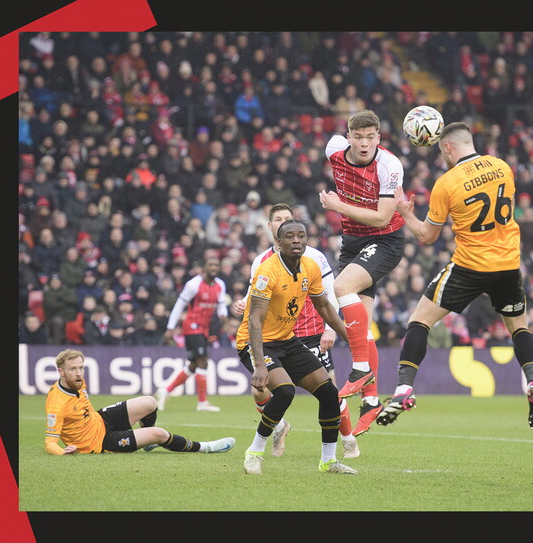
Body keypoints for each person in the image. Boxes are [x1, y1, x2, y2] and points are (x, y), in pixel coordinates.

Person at [377, 121, 533, 432]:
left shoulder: (446, 182)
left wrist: (404, 212)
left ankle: (403, 388)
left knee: (420, 320)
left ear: (446, 147)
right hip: (508, 264)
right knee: (518, 327)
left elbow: (427, 236)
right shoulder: (503, 167)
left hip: (470, 265)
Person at [231, 203, 360, 459]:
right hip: (258, 340)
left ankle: (333, 455)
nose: (295, 239)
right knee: (283, 390)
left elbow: (324, 303)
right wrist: (259, 364)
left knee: (328, 391)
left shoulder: (313, 263)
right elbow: (254, 319)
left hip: (295, 336)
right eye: (288, 234)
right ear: (276, 236)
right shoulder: (265, 267)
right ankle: (256, 451)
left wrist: (346, 335)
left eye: (299, 234)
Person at [318, 109, 405, 432]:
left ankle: (359, 368)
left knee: (340, 288)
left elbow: (383, 217)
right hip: (353, 242)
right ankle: (371, 401)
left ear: (379, 138)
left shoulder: (390, 165)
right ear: (349, 137)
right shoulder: (334, 150)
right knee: (362, 327)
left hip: (385, 241)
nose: (365, 143)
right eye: (359, 137)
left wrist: (338, 206)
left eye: (371, 137)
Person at [44, 348, 235, 455]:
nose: (78, 373)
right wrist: (64, 452)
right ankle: (205, 447)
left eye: (81, 368)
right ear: (61, 372)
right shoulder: (56, 404)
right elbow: (50, 443)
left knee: (150, 403)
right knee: (159, 433)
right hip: (100, 442)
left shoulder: (78, 381)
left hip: (100, 420)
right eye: (73, 369)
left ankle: (147, 443)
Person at [156, 256, 229, 412]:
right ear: (204, 267)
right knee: (203, 361)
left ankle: (166, 390)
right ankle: (202, 402)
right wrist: (170, 327)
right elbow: (179, 305)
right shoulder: (194, 284)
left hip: (205, 328)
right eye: (211, 264)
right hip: (191, 326)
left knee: (194, 364)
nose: (214, 267)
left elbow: (222, 305)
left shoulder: (220, 285)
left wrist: (224, 315)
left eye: (216, 264)